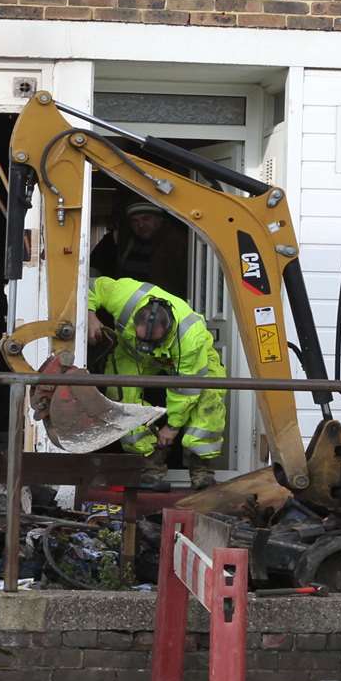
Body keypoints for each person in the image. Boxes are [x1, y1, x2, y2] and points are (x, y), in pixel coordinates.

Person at [83, 276, 226, 489]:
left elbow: (185, 390)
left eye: (151, 342)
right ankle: (150, 465)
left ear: (168, 329)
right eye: (142, 339)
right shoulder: (125, 295)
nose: (146, 346)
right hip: (131, 355)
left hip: (187, 359)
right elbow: (88, 285)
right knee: (122, 399)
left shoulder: (190, 338)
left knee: (208, 399)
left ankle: (201, 472)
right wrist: (90, 313)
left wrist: (172, 427)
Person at [89, 198, 190, 299]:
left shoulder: (177, 242)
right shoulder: (122, 240)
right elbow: (94, 267)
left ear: (160, 219)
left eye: (146, 219)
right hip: (126, 303)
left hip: (162, 305)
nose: (141, 225)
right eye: (135, 221)